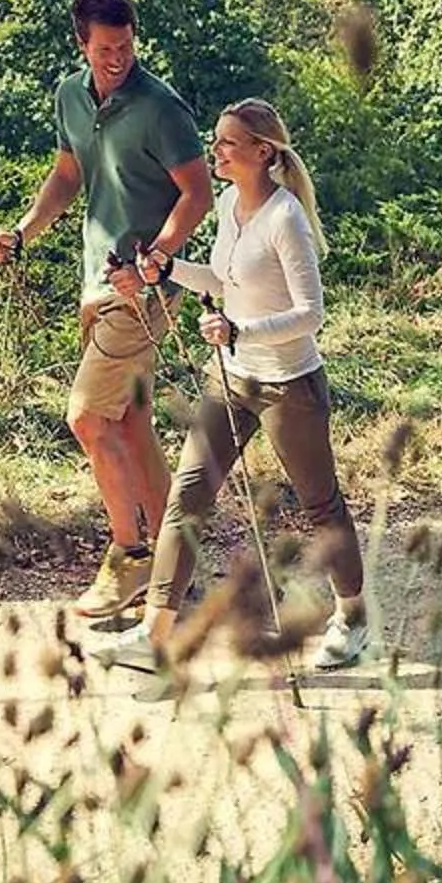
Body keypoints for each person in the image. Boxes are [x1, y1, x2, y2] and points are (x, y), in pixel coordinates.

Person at [100, 99, 368, 673]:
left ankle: (353, 617)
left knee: (321, 505)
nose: (215, 150)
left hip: (288, 384)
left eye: (227, 143)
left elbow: (311, 313)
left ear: (262, 152)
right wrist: (167, 268)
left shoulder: (285, 217)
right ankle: (154, 634)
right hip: (231, 378)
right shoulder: (229, 204)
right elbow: (223, 279)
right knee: (187, 496)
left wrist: (240, 327)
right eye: (216, 140)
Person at [0, 0, 211, 620]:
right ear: (82, 44)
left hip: (141, 290)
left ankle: (131, 556)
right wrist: (22, 234)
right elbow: (67, 174)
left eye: (127, 45)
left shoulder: (161, 108)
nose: (118, 58)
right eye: (106, 48)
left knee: (86, 416)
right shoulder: (70, 95)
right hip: (94, 280)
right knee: (126, 420)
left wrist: (159, 256)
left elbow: (198, 193)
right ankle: (178, 564)